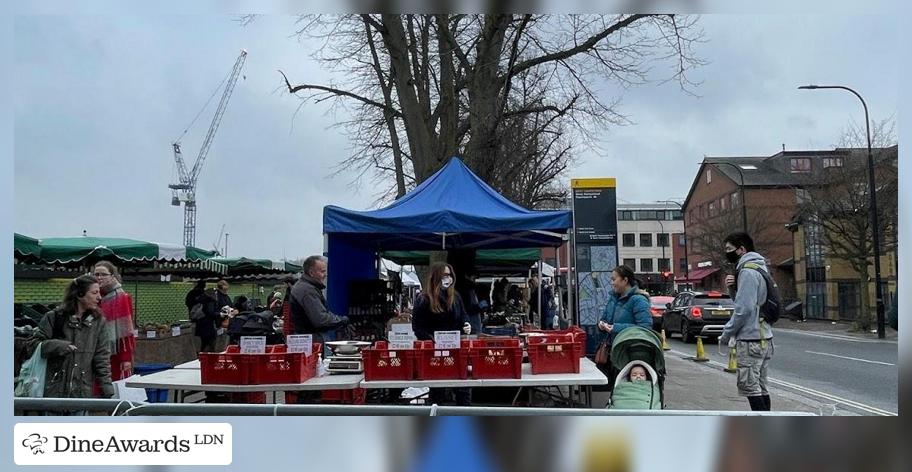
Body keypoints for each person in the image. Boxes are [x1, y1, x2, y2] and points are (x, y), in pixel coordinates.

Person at [28, 275, 114, 400]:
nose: (99, 297)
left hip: (81, 394)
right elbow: (32, 345)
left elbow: (102, 358)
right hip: (52, 393)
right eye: (94, 293)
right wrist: (58, 346)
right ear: (79, 294)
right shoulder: (54, 317)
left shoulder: (98, 322)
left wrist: (108, 391)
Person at [719, 232, 775, 412]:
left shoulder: (747, 272)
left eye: (729, 249)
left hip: (751, 339)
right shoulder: (759, 267)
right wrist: (732, 288)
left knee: (751, 387)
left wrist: (726, 333)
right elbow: (747, 302)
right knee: (760, 386)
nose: (726, 253)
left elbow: (743, 309)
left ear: (741, 249)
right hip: (763, 336)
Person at [412, 262, 472, 405]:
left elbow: (463, 315)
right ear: (436, 276)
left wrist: (467, 324)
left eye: (450, 275)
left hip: (456, 350)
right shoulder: (424, 299)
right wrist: (432, 341)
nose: (448, 278)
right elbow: (417, 327)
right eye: (445, 275)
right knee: (438, 390)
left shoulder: (455, 296)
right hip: (434, 353)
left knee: (463, 389)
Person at [289, 256, 349, 344]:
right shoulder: (307, 291)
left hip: (307, 340)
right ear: (311, 273)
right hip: (311, 342)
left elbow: (323, 313)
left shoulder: (305, 287)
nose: (326, 274)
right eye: (322, 271)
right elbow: (321, 319)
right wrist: (341, 320)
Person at [93, 261, 135, 382]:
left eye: (103, 274)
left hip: (115, 353)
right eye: (96, 274)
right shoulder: (91, 296)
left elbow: (127, 329)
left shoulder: (122, 297)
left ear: (112, 276)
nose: (99, 277)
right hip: (94, 349)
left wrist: (125, 358)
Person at [597, 265, 652, 342]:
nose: (612, 283)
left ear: (625, 280)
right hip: (614, 348)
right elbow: (605, 319)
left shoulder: (639, 300)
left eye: (614, 279)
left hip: (630, 350)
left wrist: (616, 328)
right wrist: (602, 325)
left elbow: (644, 328)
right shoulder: (613, 299)